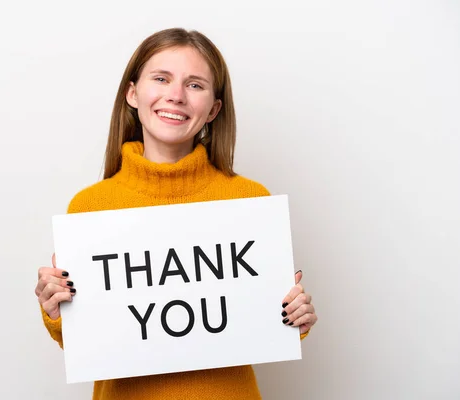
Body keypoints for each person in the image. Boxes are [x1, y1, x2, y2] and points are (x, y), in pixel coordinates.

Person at [35, 27, 318, 400]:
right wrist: (56, 311)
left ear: (214, 109)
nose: (176, 96)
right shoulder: (89, 208)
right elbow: (88, 339)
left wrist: (294, 316)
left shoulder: (249, 201)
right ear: (133, 92)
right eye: (161, 78)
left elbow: (261, 321)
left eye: (195, 85)